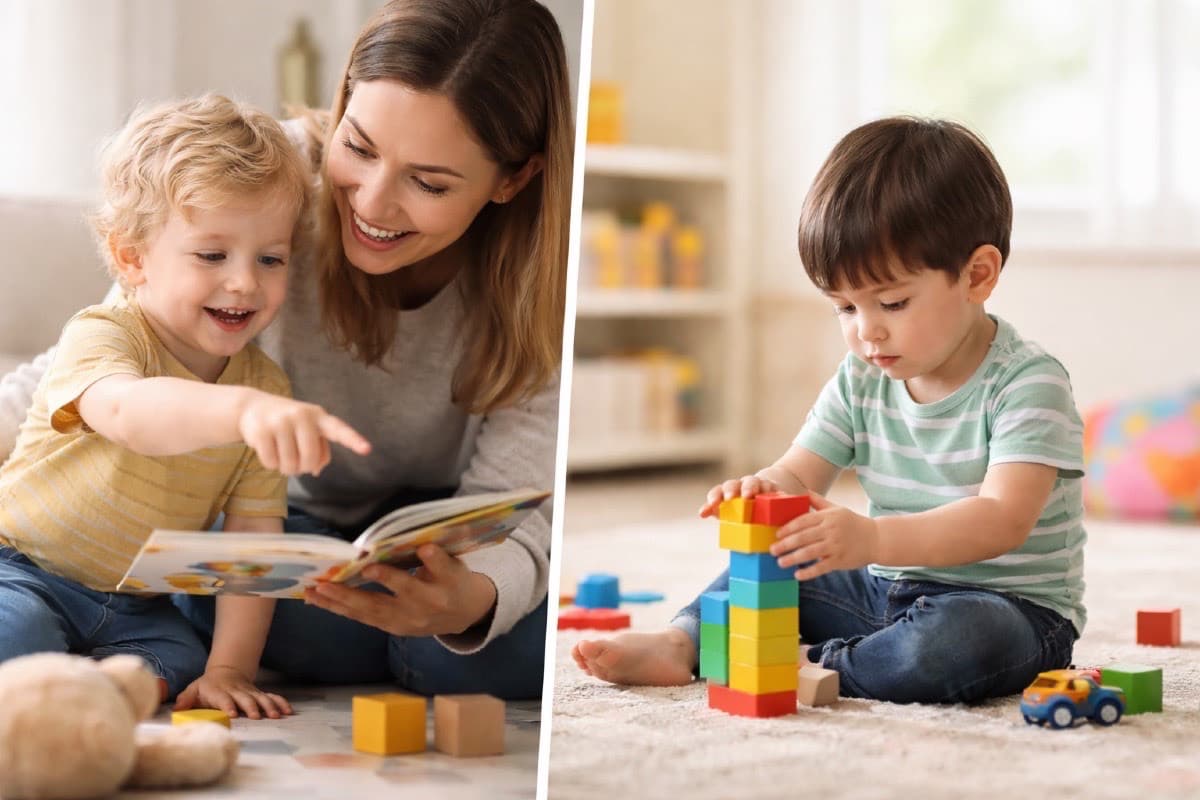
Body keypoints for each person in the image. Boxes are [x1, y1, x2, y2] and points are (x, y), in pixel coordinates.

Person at [0, 0, 571, 699]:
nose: (372, 204)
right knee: (301, 617)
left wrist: (470, 602)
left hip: (438, 524)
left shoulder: (544, 280)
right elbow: (111, 364)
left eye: (427, 182)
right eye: (358, 147)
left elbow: (518, 508)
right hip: (292, 529)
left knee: (482, 648)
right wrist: (239, 413)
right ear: (342, 105)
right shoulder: (266, 178)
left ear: (513, 179)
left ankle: (415, 640)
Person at [573, 117, 1085, 704]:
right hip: (882, 588)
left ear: (977, 275)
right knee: (782, 558)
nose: (867, 331)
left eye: (892, 302)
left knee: (953, 644)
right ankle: (684, 640)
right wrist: (763, 489)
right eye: (844, 307)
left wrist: (871, 537)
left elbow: (1001, 520)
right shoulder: (863, 376)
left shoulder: (1027, 382)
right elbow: (800, 472)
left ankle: (818, 663)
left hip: (1007, 609)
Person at [0, 94, 372, 719]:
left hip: (136, 605)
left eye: (270, 258)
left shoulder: (265, 388)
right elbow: (128, 414)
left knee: (185, 660)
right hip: (23, 567)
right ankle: (63, 689)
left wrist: (230, 670)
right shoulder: (104, 333)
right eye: (212, 255)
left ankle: (88, 694)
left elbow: (252, 539)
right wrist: (239, 411)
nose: (245, 282)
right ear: (132, 258)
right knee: (21, 631)